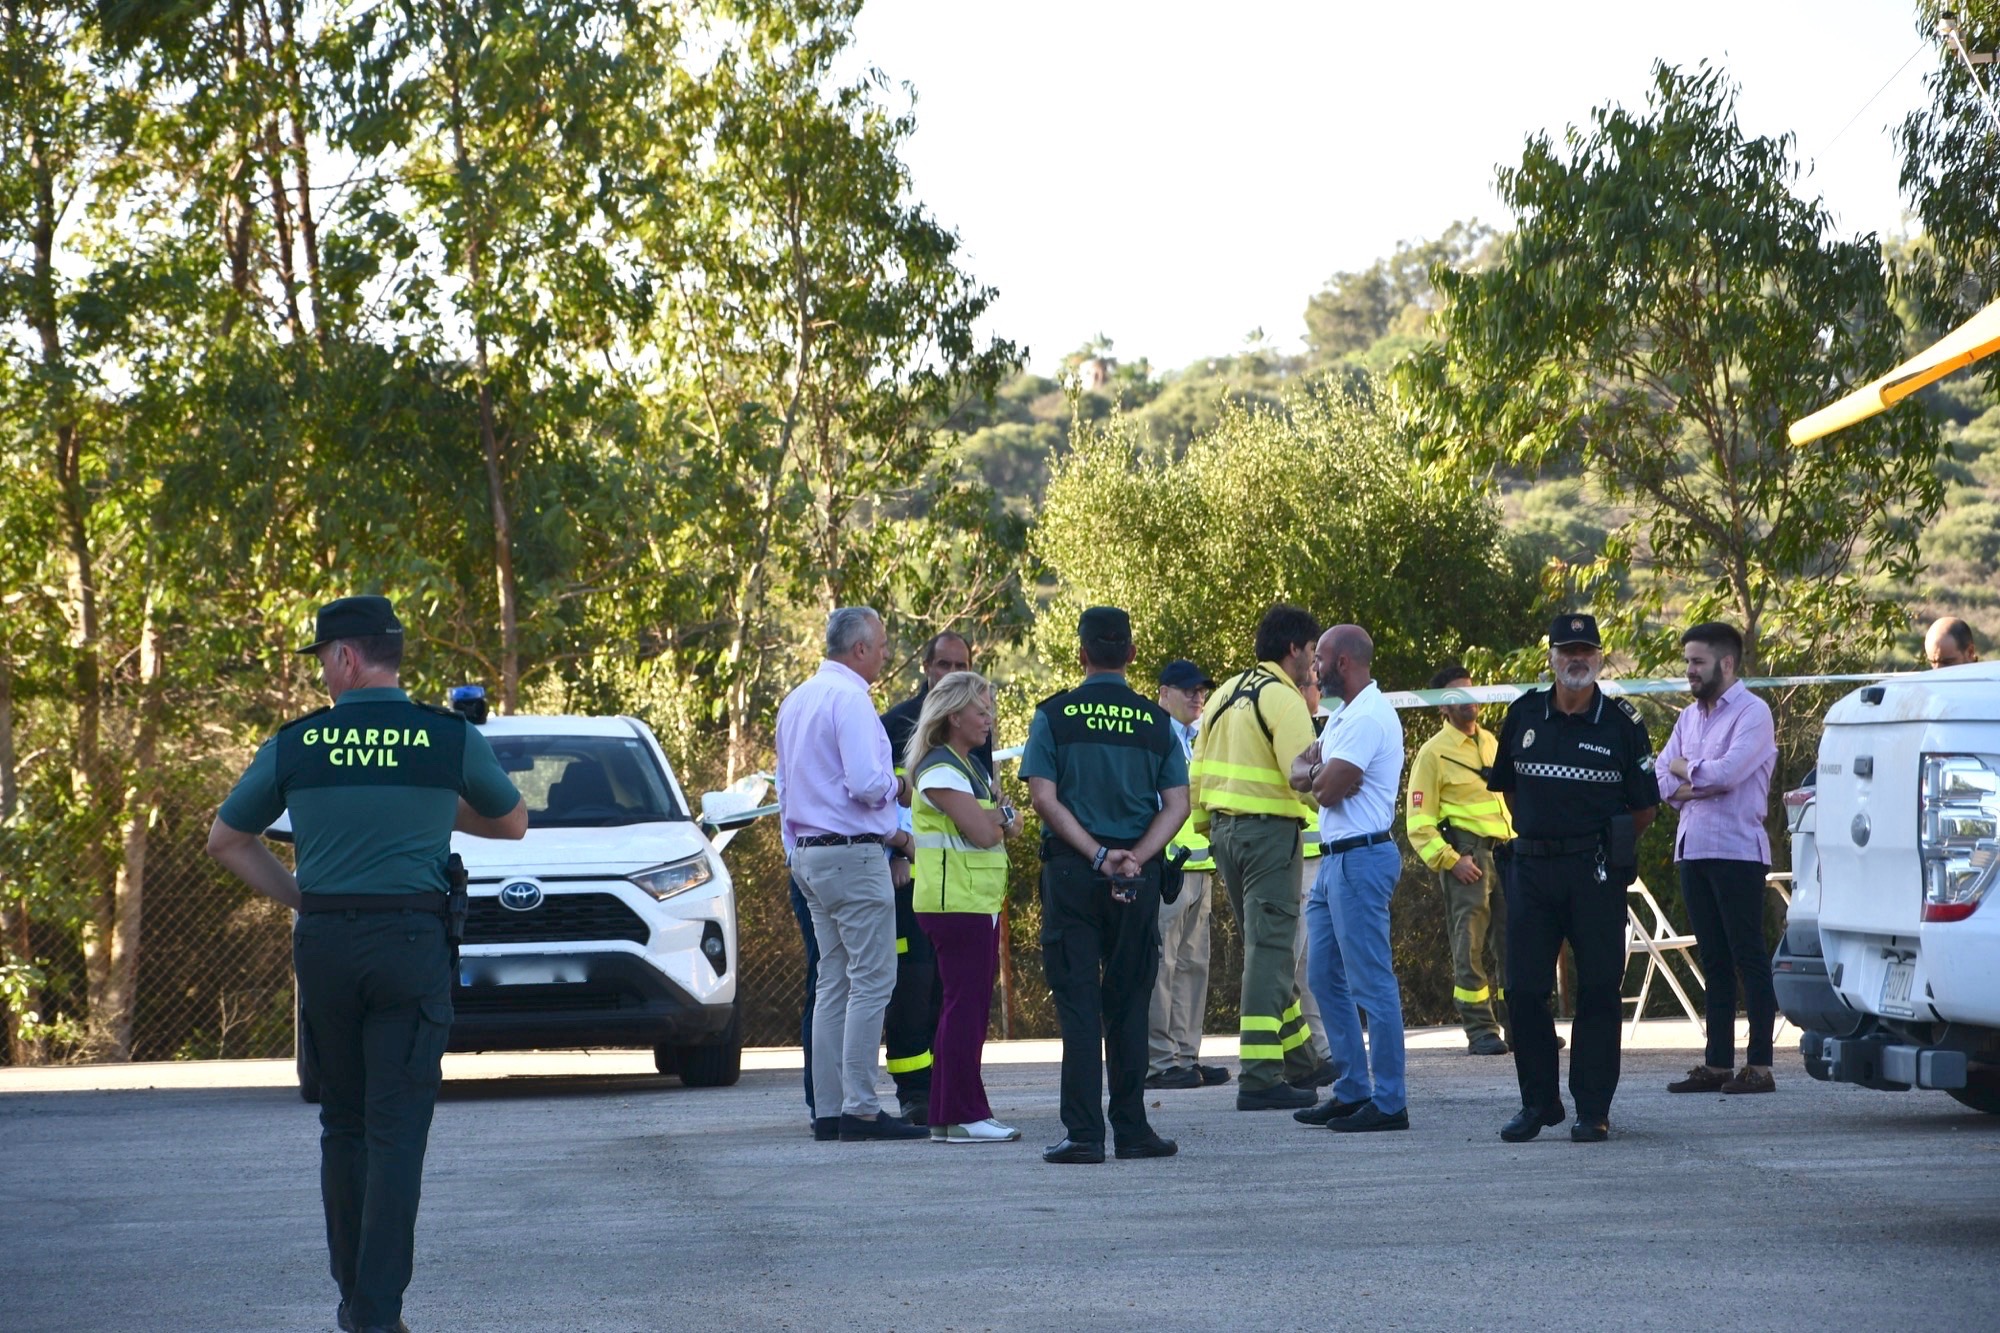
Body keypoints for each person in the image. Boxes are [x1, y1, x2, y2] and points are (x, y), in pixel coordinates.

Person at [205, 595, 528, 1333]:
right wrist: (430, 804)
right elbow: (512, 822)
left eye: (324, 659)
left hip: (326, 944)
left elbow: (226, 839)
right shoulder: (445, 738)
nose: (324, 672)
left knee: (343, 1125)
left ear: (346, 657)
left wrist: (301, 897)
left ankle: (355, 1301)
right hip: (411, 944)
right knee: (397, 1131)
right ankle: (377, 1314)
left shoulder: (297, 743)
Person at [1022, 606, 1187, 1164]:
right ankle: (1134, 1131)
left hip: (1074, 873)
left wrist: (1096, 855)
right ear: (1131, 655)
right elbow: (1178, 805)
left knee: (1078, 1005)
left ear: (1082, 654)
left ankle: (1085, 1135)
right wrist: (1136, 857)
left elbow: (1042, 797)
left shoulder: (1054, 715)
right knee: (1130, 1004)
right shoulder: (1156, 723)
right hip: (1138, 878)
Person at [1488, 613, 1660, 1144]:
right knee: (1523, 990)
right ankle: (1538, 1103)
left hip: (1594, 872)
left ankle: (1592, 1109)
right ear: (1552, 658)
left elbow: (1645, 808)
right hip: (1532, 869)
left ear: (1600, 659)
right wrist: (1545, 832)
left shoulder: (1623, 724)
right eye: (1568, 650)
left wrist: (1594, 843)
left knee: (1600, 989)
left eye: (1586, 651)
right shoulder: (1523, 715)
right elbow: (1509, 790)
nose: (1577, 659)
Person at [776, 606, 926, 1142]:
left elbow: (785, 787)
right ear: (859, 649)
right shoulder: (852, 700)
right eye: (881, 645)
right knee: (873, 979)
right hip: (852, 856)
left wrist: (794, 849)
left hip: (809, 855)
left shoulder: (797, 700)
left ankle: (829, 1111)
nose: (886, 654)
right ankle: (861, 1109)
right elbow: (867, 784)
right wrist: (900, 787)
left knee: (833, 980)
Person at [1190, 606, 1324, 1112]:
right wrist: (1338, 810)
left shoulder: (1224, 694)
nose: (1314, 663)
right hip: (1268, 834)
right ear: (1293, 649)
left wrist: (1207, 826)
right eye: (1311, 652)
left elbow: (1196, 772)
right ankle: (1261, 1076)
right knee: (1270, 952)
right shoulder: (1285, 699)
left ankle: (1302, 1060)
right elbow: (1304, 775)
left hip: (1225, 834)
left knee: (1264, 950)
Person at [1289, 624, 1410, 1133]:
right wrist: (1319, 772)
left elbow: (1323, 790)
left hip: (1360, 858)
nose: (1313, 668)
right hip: (1335, 860)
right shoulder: (1341, 716)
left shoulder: (1368, 716)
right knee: (1322, 976)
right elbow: (1297, 772)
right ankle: (1353, 1088)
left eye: (1319, 659)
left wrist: (1318, 775)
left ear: (1342, 662)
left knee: (1370, 981)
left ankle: (1390, 1102)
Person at [1659, 623, 1781, 1096]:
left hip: (1736, 852)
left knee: (1748, 955)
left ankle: (1760, 1067)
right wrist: (1693, 781)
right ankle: (1717, 1065)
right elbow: (1660, 777)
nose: (1689, 670)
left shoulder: (1753, 712)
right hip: (1692, 848)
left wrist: (1686, 772)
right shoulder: (1688, 718)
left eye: (1698, 662)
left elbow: (1727, 775)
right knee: (1713, 958)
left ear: (1726, 663)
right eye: (1688, 661)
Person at [906, 670, 1024, 1142]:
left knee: (967, 1009)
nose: (989, 719)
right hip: (954, 903)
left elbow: (1001, 822)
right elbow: (984, 831)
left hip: (973, 900)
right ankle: (962, 1114)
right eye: (981, 710)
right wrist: (1000, 816)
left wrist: (998, 817)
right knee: (965, 1010)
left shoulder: (967, 765)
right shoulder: (940, 768)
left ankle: (950, 1115)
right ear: (954, 716)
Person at [875, 632, 982, 1125]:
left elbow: (980, 798)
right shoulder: (895, 723)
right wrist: (894, 853)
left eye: (961, 665)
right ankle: (913, 1091)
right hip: (909, 880)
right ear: (926, 667)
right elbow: (879, 800)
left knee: (949, 988)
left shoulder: (976, 727)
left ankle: (946, 1087)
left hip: (959, 882)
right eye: (943, 664)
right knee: (912, 986)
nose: (951, 674)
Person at [1404, 663, 1516, 1056]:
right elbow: (1418, 823)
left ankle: (1521, 1027)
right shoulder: (1433, 753)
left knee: (1515, 945)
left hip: (1507, 854)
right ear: (1442, 707)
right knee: (1468, 947)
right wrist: (1451, 860)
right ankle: (1481, 1029)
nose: (1468, 699)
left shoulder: (1492, 743)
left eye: (1471, 690)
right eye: (1456, 694)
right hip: (1469, 858)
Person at [1147, 657, 1230, 1090]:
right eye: (1188, 690)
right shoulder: (1153, 736)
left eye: (1201, 691)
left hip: (1200, 867)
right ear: (1164, 694)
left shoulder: (1197, 738)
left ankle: (1185, 1056)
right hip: (1168, 869)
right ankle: (1159, 1062)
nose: (1198, 697)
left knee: (1193, 967)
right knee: (1162, 967)